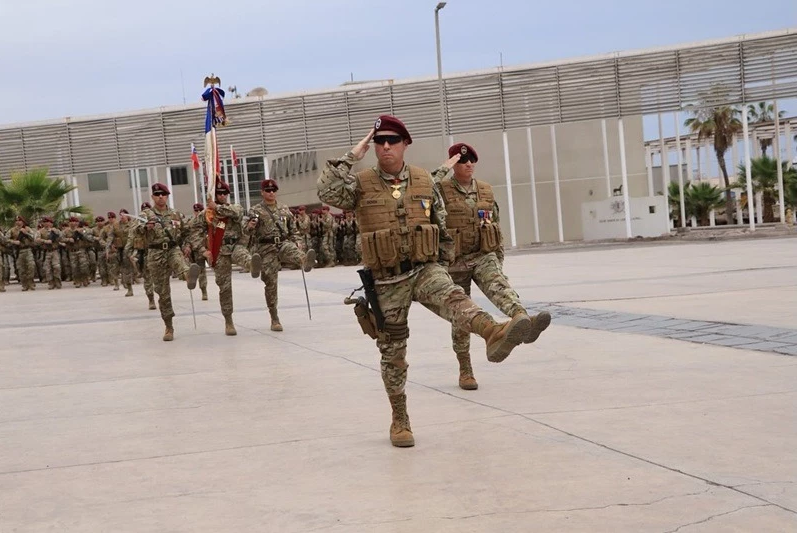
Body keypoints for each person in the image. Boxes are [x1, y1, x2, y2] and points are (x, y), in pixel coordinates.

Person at [317, 115, 550, 448]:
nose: (385, 146)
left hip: (424, 269)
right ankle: (400, 419)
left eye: (392, 141)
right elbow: (326, 189)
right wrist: (355, 152)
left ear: (405, 145)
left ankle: (494, 333)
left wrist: (441, 264)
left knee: (455, 299)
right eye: (379, 141)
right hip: (386, 281)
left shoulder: (425, 181)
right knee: (393, 351)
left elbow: (440, 227)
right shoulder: (360, 183)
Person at [434, 143, 551, 390]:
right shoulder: (441, 190)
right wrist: (443, 168)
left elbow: (495, 226)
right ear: (453, 164)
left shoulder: (486, 191)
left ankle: (522, 320)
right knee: (462, 317)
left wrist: (498, 258)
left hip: (482, 255)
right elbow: (423, 191)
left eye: (471, 161)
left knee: (499, 284)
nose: (468, 164)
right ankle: (465, 370)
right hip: (453, 262)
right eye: (462, 161)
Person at [189, 181, 259, 335]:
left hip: (235, 246)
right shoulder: (206, 214)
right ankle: (228, 321)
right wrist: (203, 250)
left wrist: (217, 207)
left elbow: (236, 213)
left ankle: (253, 266)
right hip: (219, 251)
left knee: (244, 256)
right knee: (225, 287)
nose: (222, 196)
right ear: (215, 195)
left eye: (224, 194)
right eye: (219, 194)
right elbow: (194, 231)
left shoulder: (235, 207)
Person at [248, 179, 316, 331]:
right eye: (267, 190)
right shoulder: (255, 210)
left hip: (282, 243)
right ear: (262, 192)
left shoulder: (284, 209)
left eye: (273, 190)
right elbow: (247, 231)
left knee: (292, 249)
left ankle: (304, 260)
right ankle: (274, 318)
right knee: (271, 284)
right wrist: (250, 226)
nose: (271, 193)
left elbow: (293, 230)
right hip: (266, 248)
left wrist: (299, 242)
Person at [136, 183, 200, 341]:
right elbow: (135, 230)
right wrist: (146, 228)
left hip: (172, 249)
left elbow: (186, 232)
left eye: (163, 194)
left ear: (167, 196)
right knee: (163, 293)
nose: (160, 197)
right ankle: (169, 326)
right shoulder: (145, 214)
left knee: (180, 263)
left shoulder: (175, 214)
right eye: (157, 195)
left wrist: (187, 245)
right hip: (155, 253)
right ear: (152, 197)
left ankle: (188, 276)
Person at [7, 216, 36, 291]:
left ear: (23, 222)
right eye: (16, 221)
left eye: (19, 220)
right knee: (21, 269)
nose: (18, 222)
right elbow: (6, 239)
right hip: (19, 251)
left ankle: (31, 283)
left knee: (31, 267)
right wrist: (14, 242)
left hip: (28, 250)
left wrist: (26, 233)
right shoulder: (12, 230)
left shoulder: (27, 229)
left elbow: (33, 238)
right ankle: (24, 285)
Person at [187, 203, 209, 300]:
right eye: (196, 211)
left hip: (207, 247)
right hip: (197, 250)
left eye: (199, 211)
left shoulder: (207, 220)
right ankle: (203, 291)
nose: (197, 213)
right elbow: (188, 236)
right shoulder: (191, 223)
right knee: (201, 270)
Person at [35, 216, 62, 289]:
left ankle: (58, 281)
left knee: (56, 267)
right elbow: (36, 240)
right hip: (46, 252)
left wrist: (56, 235)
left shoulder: (56, 230)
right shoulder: (40, 231)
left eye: (49, 222)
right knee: (47, 268)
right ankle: (51, 283)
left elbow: (61, 238)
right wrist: (45, 241)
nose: (47, 224)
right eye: (45, 222)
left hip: (54, 251)